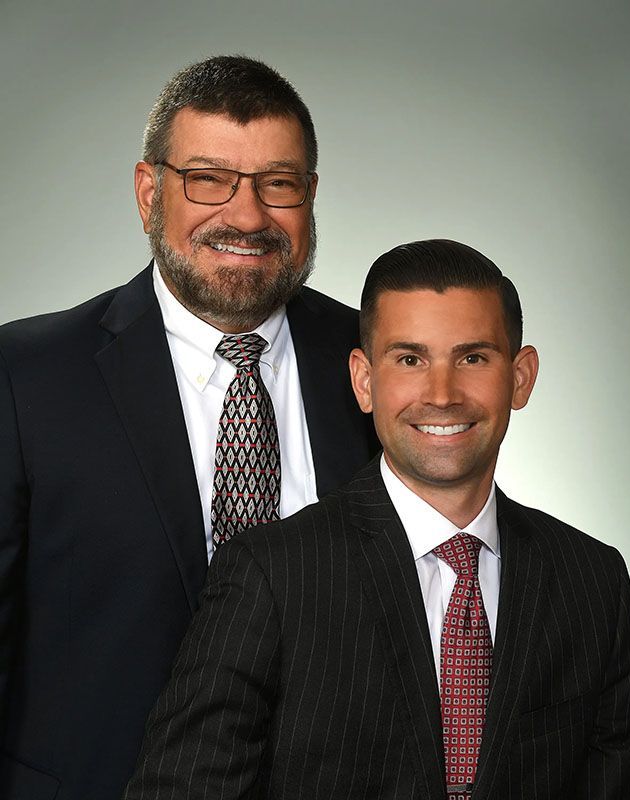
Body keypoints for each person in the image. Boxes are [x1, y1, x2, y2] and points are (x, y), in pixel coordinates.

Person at [123, 239, 630, 800]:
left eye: (472, 358)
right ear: (364, 381)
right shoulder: (272, 576)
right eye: (410, 359)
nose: (442, 395)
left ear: (520, 376)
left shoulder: (593, 581)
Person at [0, 56, 378, 800]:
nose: (246, 215)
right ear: (149, 191)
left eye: (279, 184)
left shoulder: (375, 364)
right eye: (208, 178)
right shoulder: (25, 377)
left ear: (310, 197)